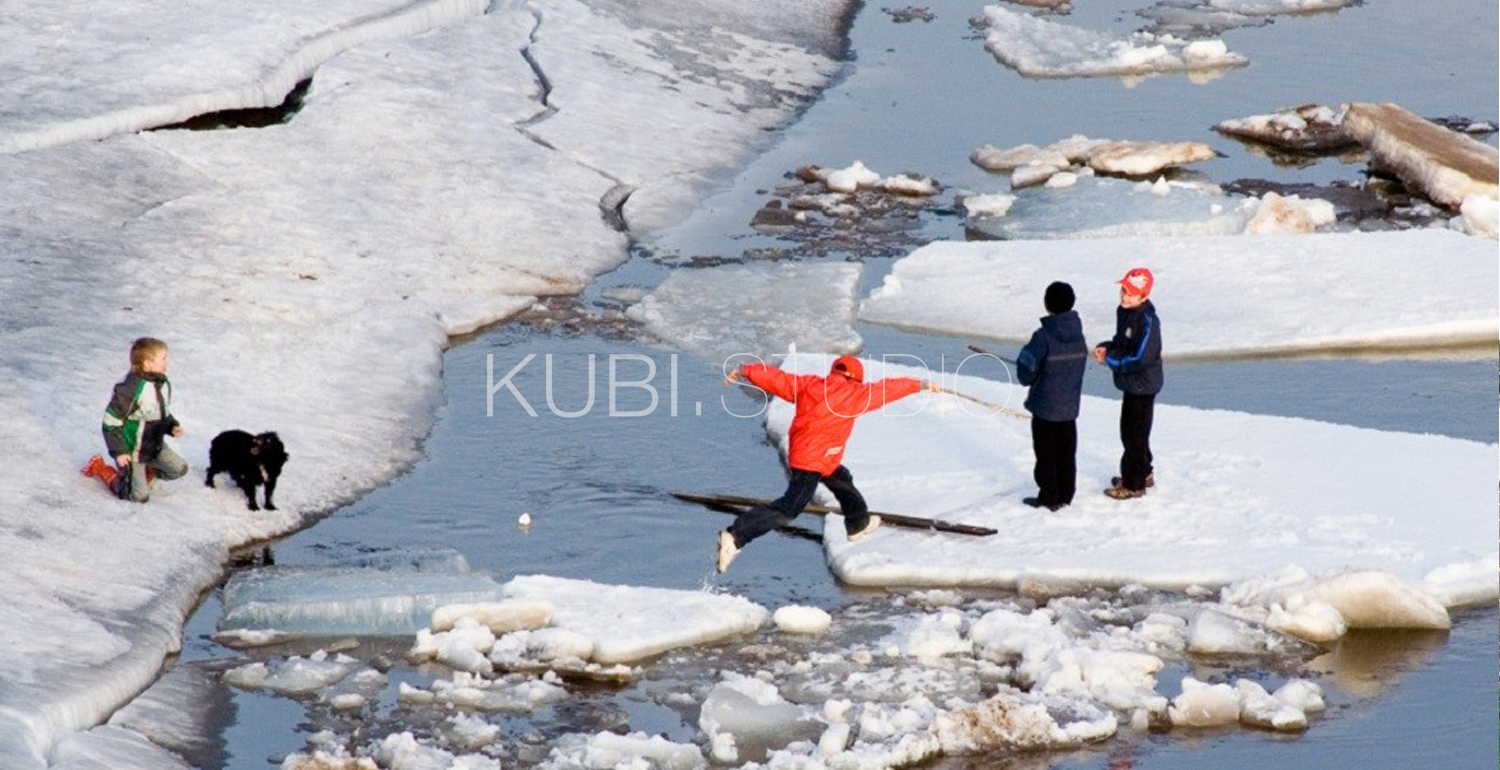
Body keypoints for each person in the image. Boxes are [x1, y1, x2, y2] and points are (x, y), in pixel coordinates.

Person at [716, 355, 936, 572]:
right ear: (857, 378)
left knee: (842, 479)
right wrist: (920, 385)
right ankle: (736, 536)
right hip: (812, 461)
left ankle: (857, 523)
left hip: (816, 456)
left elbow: (778, 379)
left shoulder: (809, 385)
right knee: (790, 508)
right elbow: (888, 388)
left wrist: (745, 370)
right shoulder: (857, 394)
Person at [87, 337, 189, 502]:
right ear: (147, 364)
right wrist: (119, 451)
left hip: (153, 445)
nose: (167, 362)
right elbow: (110, 422)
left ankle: (140, 475)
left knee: (179, 469)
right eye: (163, 359)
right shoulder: (130, 390)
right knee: (138, 497)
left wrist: (172, 426)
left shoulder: (161, 383)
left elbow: (161, 412)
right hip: (132, 450)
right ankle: (103, 470)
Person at [1015, 281, 1087, 512]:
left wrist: (1029, 372)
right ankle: (1066, 494)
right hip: (1069, 407)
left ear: (1047, 305)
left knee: (1046, 454)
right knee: (1067, 452)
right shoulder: (1079, 334)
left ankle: (1049, 497)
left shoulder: (1043, 336)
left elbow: (1026, 371)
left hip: (1046, 407)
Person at [1093, 267, 1163, 500]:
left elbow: (1141, 357)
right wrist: (1108, 347)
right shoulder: (1124, 312)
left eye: (1131, 294)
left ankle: (1133, 484)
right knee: (1131, 432)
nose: (1125, 296)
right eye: (1124, 291)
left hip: (1143, 384)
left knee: (1134, 435)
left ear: (1144, 297)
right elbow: (1122, 342)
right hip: (1131, 383)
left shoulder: (1148, 320)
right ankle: (1143, 472)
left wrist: (1111, 360)